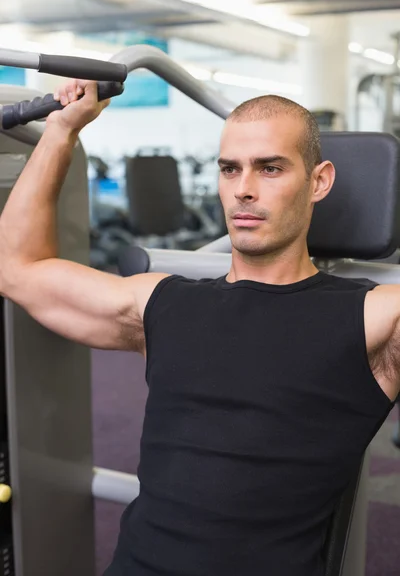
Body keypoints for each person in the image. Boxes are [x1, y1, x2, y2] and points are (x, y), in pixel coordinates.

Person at [0, 79, 399, 576]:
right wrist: (61, 131)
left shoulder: (371, 317)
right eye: (230, 169)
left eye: (270, 168)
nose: (244, 188)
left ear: (318, 181)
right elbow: (18, 269)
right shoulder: (162, 303)